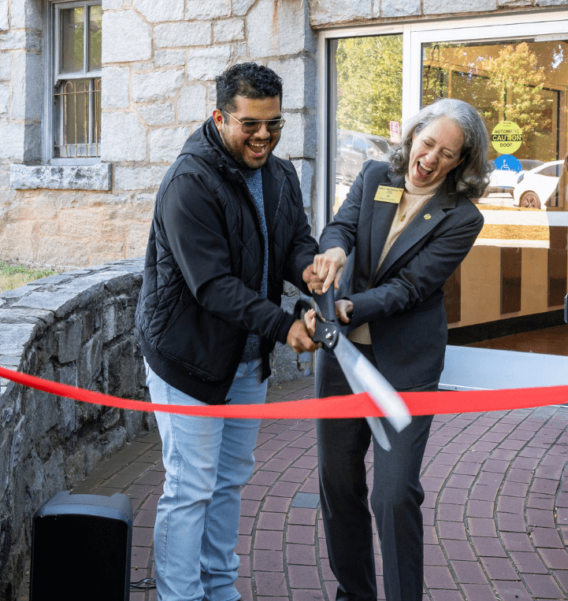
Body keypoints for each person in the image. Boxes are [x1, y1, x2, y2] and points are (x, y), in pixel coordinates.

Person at [136, 62, 320, 601]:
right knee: (191, 488)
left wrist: (308, 269)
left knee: (229, 482)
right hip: (188, 359)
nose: (264, 136)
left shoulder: (281, 175)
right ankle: (180, 595)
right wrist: (285, 326)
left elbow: (294, 241)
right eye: (251, 125)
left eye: (274, 124)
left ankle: (220, 590)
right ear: (219, 117)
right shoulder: (189, 181)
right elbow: (212, 286)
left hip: (246, 361)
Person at [305, 98, 488, 601]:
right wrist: (336, 248)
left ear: (462, 161)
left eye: (447, 154)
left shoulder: (463, 217)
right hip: (343, 363)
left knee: (393, 493)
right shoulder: (372, 177)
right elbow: (341, 226)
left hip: (405, 367)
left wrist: (348, 308)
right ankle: (355, 592)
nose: (430, 159)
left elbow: (411, 287)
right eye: (427, 144)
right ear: (413, 135)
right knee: (338, 485)